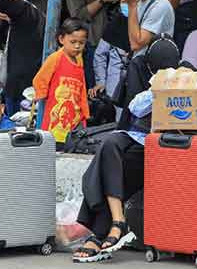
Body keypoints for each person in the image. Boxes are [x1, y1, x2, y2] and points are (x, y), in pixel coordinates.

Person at [74, 37, 183, 263]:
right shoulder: (140, 69)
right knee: (110, 145)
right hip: (138, 136)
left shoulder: (187, 74)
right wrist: (158, 86)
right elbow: (134, 107)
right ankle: (117, 220)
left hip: (166, 144)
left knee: (108, 160)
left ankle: (100, 231)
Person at [33, 18, 91, 144]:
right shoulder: (55, 58)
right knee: (54, 141)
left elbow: (82, 88)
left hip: (75, 113)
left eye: (81, 43)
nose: (77, 46)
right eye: (73, 42)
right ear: (61, 39)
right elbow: (40, 78)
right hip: (56, 109)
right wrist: (42, 94)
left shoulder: (80, 61)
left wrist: (84, 111)